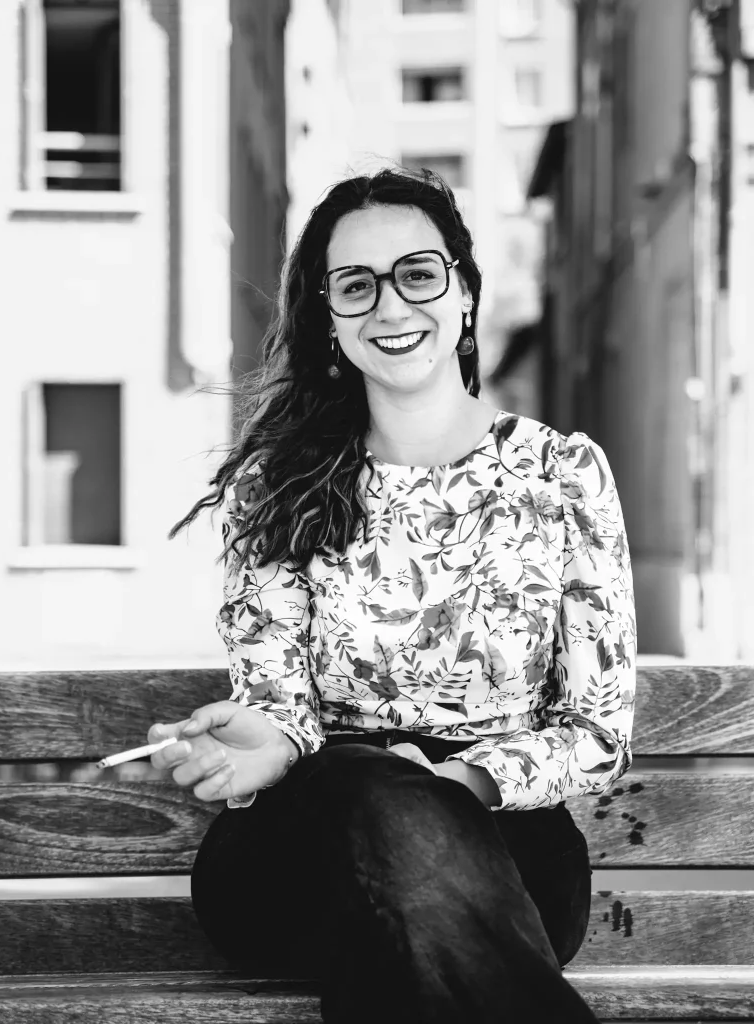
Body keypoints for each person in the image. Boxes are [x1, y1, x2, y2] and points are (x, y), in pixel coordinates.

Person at [148, 168, 637, 1024]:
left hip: (506, 848)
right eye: (356, 286)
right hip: (303, 848)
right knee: (368, 791)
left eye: (417, 274)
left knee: (397, 936)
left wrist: (453, 781)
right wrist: (265, 743)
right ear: (330, 320)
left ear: (464, 292)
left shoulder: (563, 475)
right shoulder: (278, 487)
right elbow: (283, 709)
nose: (391, 305)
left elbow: (596, 733)